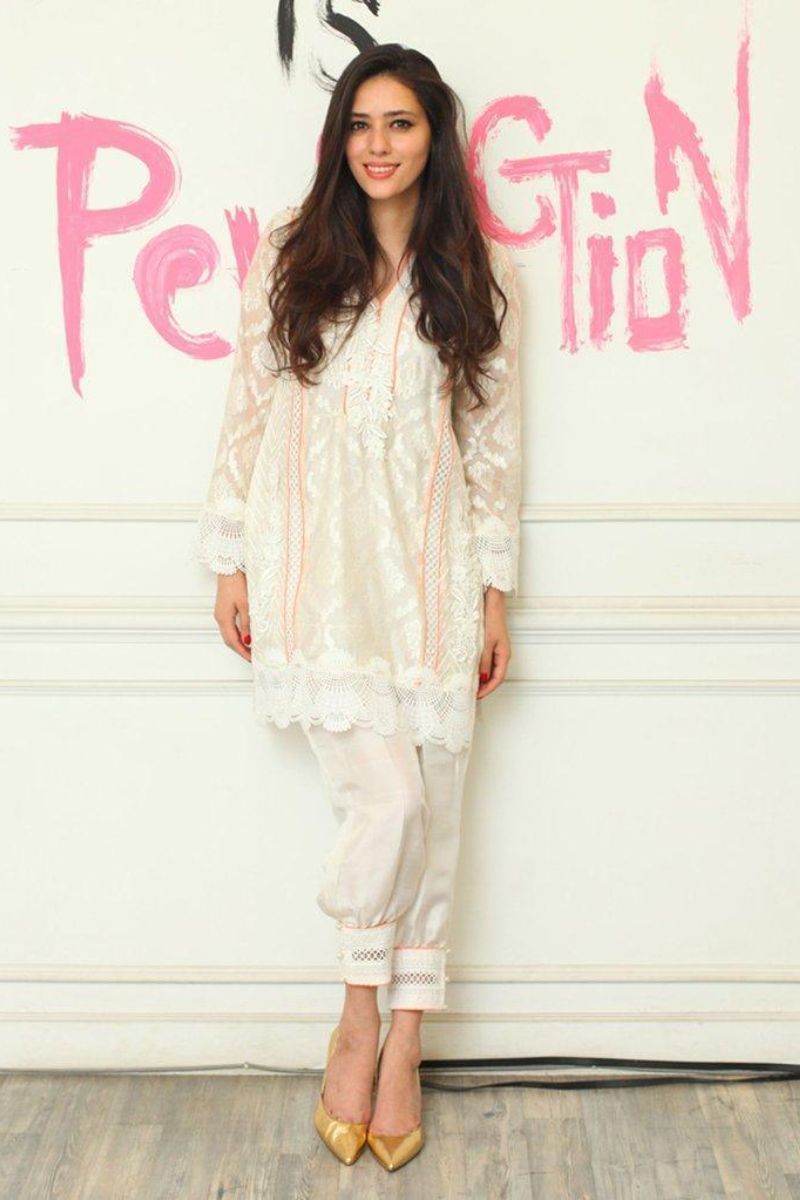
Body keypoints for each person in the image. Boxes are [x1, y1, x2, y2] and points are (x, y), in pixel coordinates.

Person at [194, 42, 523, 1172]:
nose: (378, 146)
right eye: (360, 124)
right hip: (315, 568)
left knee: (437, 804)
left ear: (434, 138)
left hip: (430, 570)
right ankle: (354, 1012)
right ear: (339, 139)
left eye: (401, 124)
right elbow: (247, 409)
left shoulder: (478, 275)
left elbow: (493, 446)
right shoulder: (293, 254)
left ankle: (404, 1042)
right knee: (387, 800)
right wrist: (229, 557)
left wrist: (493, 593)